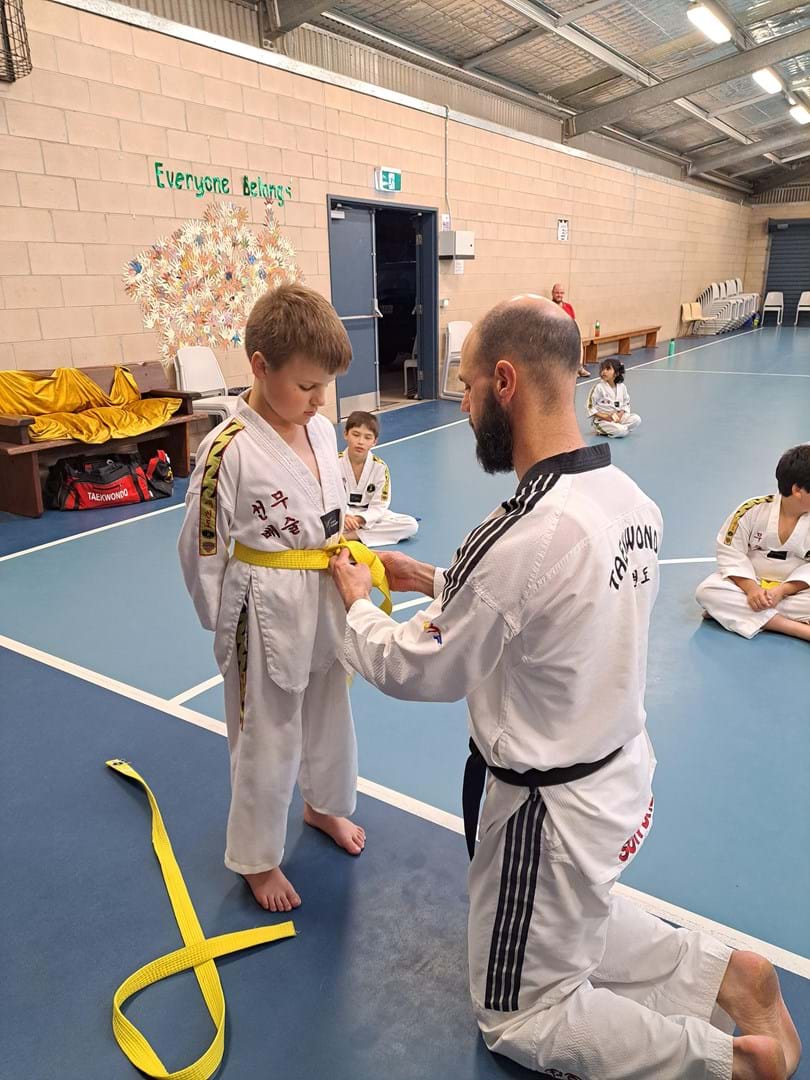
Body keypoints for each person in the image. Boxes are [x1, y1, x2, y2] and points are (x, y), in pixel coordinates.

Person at [329, 295, 801, 1080]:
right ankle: (722, 975)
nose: (465, 403)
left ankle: (725, 1063)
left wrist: (357, 608)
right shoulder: (630, 500)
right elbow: (552, 608)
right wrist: (435, 578)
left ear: (504, 382)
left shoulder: (519, 529)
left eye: (468, 386)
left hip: (543, 808)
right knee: (568, 915)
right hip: (613, 771)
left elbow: (422, 666)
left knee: (518, 1010)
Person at [178, 283, 366, 914]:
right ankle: (257, 857)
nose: (319, 401)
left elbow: (328, 507)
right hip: (261, 609)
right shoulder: (226, 449)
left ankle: (323, 805)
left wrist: (347, 550)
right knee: (266, 731)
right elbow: (201, 547)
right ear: (260, 365)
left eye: (326, 387)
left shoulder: (318, 429)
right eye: (307, 385)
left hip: (324, 593)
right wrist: (222, 623)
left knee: (329, 710)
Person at [695, 444, 810, 642]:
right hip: (750, 586)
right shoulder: (751, 511)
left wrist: (783, 590)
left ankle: (731, 613)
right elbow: (730, 553)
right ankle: (797, 629)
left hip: (795, 591)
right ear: (797, 490)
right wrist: (752, 590)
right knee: (707, 592)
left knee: (719, 601)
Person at [339, 410, 418, 548]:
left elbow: (380, 505)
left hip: (367, 516)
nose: (360, 442)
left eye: (367, 437)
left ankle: (352, 536)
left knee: (410, 525)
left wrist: (359, 520)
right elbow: (330, 498)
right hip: (340, 515)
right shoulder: (334, 463)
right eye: (356, 435)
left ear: (374, 441)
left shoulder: (380, 468)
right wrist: (345, 515)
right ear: (346, 434)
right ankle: (350, 533)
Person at [586, 358, 641, 438]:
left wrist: (620, 414)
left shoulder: (622, 387)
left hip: (617, 417)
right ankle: (617, 429)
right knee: (621, 431)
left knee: (636, 419)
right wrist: (605, 417)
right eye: (602, 369)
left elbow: (626, 403)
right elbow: (589, 407)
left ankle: (618, 428)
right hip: (602, 420)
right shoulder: (598, 387)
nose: (604, 371)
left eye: (608, 369)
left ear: (617, 373)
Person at [552, 282, 589, 377]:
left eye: (561, 293)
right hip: (555, 335)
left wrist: (577, 333)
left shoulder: (568, 307)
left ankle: (579, 367)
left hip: (569, 333)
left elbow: (574, 322)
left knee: (578, 341)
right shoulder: (549, 307)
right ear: (553, 293)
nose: (559, 295)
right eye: (557, 293)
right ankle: (569, 370)